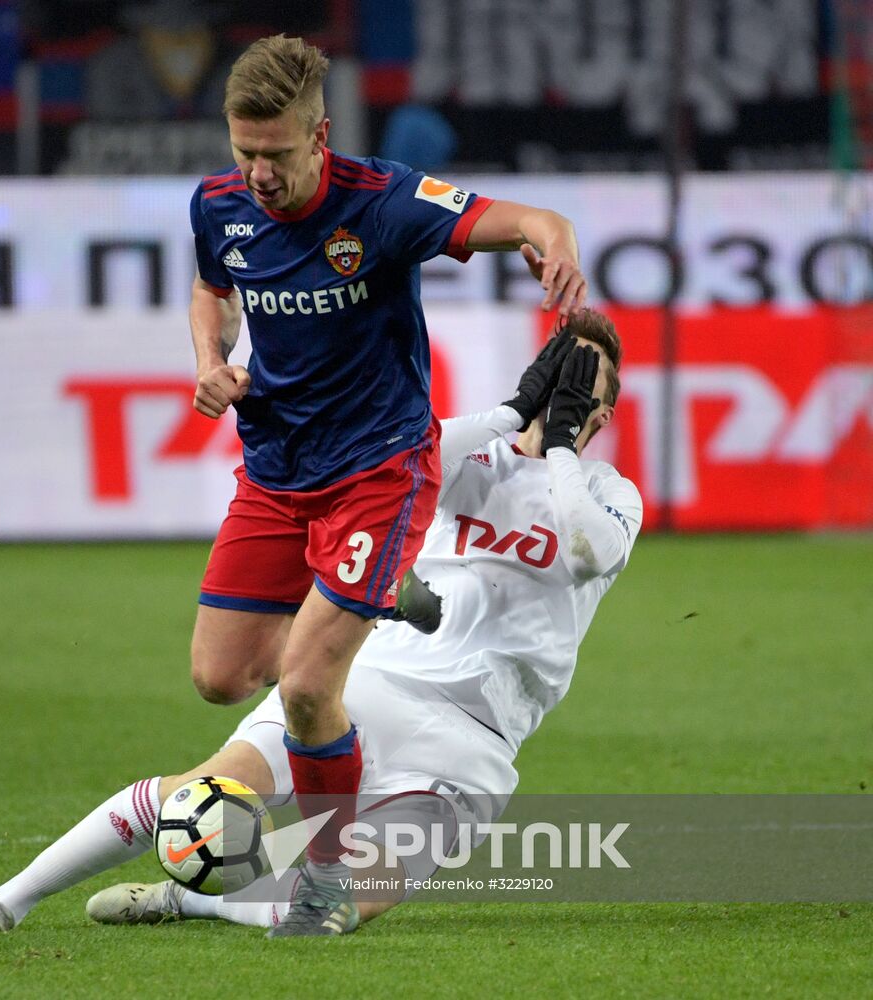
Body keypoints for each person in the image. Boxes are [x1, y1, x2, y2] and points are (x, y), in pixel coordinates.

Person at [0, 311, 641, 936]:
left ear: (602, 412)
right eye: (561, 370)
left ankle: (193, 900)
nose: (566, 390)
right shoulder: (471, 462)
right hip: (363, 687)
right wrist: (509, 409)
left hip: (469, 747)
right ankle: (6, 901)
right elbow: (387, 458)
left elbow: (582, 551)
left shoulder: (611, 498)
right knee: (202, 790)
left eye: (586, 385)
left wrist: (562, 444)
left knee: (328, 912)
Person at [184, 34, 587, 934]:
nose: (257, 173)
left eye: (277, 155)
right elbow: (212, 289)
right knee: (221, 677)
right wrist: (211, 360)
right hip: (278, 469)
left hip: (381, 468)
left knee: (307, 685)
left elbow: (522, 218)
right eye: (243, 152)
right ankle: (373, 599)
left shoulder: (388, 201)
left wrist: (552, 242)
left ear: (319, 135)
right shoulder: (217, 205)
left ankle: (324, 872)